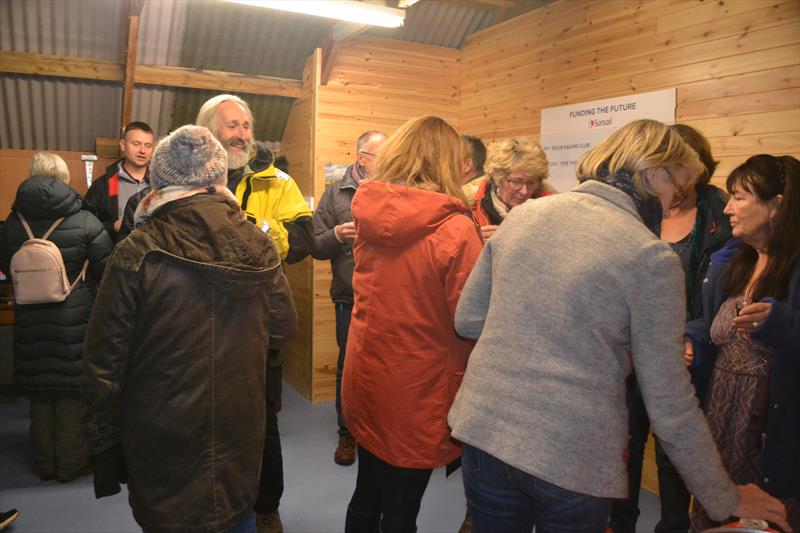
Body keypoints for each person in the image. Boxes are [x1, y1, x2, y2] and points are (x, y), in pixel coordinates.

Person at [447, 119, 791, 533]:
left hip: (484, 430)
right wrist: (727, 497)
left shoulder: (525, 215)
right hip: (570, 451)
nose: (672, 206)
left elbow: (468, 319)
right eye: (677, 190)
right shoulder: (649, 256)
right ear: (653, 174)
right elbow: (669, 403)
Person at [81, 125, 298, 533]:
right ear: (219, 180)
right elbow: (284, 330)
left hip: (165, 441)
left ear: (159, 182)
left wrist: (104, 451)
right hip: (240, 433)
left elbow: (103, 365)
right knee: (240, 517)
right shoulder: (259, 243)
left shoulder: (137, 249)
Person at [341, 116, 483, 533]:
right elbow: (471, 317)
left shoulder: (367, 209)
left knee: (367, 490)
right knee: (403, 506)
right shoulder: (456, 229)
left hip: (369, 370)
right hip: (420, 385)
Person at [196, 94, 313, 533]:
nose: (241, 134)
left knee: (262, 422)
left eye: (246, 125)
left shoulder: (275, 182)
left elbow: (304, 240)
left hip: (255, 325)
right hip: (198, 326)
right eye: (231, 125)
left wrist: (255, 227)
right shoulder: (184, 179)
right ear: (208, 130)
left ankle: (265, 507)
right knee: (203, 420)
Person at [609, 124, 732, 533]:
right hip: (629, 357)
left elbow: (727, 295)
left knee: (675, 456)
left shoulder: (720, 217)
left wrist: (693, 335)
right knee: (622, 452)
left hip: (687, 357)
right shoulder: (633, 211)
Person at [685, 154, 800, 532]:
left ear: (775, 206)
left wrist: (781, 323)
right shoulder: (730, 262)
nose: (729, 208)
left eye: (739, 198)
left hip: (770, 429)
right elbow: (710, 322)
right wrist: (692, 339)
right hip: (719, 415)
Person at [0, 152, 112, 482]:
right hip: (74, 321)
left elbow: (7, 266)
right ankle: (70, 465)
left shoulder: (11, 223)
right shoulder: (86, 221)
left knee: (39, 393)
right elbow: (107, 270)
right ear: (64, 179)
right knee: (70, 396)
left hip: (29, 320)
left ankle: (45, 464)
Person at [311, 130, 387, 467]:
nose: (387, 162)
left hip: (390, 299)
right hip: (350, 297)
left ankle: (379, 430)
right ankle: (348, 433)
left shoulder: (396, 192)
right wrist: (335, 234)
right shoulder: (335, 194)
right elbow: (313, 243)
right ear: (362, 158)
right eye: (380, 156)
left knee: (385, 366)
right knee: (349, 365)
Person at [470, 137, 554, 241]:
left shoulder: (550, 209)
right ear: (497, 178)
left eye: (531, 183)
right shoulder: (469, 207)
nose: (525, 191)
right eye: (516, 182)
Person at [85, 121, 154, 241]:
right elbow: (85, 226)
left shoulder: (162, 184)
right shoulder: (102, 185)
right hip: (113, 253)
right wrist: (113, 226)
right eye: (136, 144)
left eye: (148, 146)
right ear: (122, 145)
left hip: (152, 255)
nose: (142, 150)